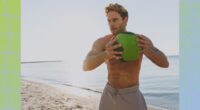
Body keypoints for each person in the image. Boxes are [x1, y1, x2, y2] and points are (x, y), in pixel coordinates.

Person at [83, 3, 169, 110]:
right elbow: (85, 66)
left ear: (125, 20)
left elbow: (165, 63)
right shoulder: (103, 42)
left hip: (131, 95)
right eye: (109, 21)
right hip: (109, 94)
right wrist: (106, 54)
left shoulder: (140, 40)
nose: (111, 24)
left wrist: (149, 50)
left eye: (115, 20)